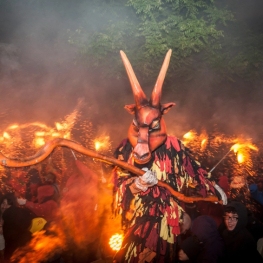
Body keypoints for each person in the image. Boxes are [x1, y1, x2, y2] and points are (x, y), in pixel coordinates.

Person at [2, 192, 33, 262]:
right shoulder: (14, 216)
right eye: (3, 203)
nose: (4, 206)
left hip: (16, 254)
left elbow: (9, 241)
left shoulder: (11, 218)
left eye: (7, 204)